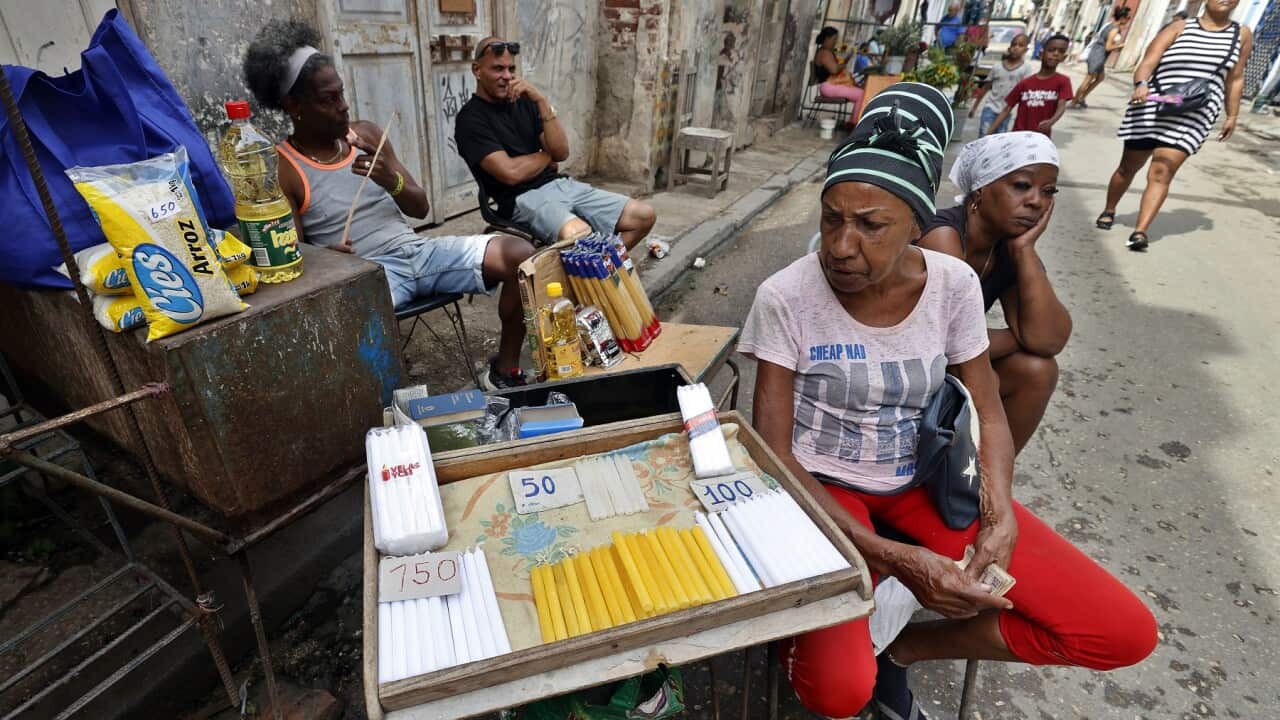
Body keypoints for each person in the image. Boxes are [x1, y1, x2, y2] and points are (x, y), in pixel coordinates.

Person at [740, 82, 1156, 720]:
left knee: (1117, 631)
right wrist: (897, 559)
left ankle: (905, 646)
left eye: (871, 226)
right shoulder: (786, 296)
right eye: (832, 219)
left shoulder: (953, 284)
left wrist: (1000, 515)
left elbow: (988, 410)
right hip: (822, 489)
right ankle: (839, 619)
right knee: (839, 693)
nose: (842, 246)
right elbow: (772, 455)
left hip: (925, 482)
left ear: (916, 225)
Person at [243, 20, 536, 390]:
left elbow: (420, 208)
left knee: (521, 255)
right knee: (354, 318)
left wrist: (390, 179)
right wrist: (327, 259)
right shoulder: (284, 168)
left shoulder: (366, 135)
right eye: (328, 99)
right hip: (366, 276)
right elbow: (294, 262)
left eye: (342, 94)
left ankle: (505, 370)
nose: (343, 106)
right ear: (294, 106)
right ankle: (384, 413)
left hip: (417, 253)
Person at [918, 132, 1070, 453]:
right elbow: (943, 345)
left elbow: (1049, 341)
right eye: (1021, 186)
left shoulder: (1006, 247)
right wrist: (1019, 337)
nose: (1036, 201)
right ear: (981, 189)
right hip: (894, 363)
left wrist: (1025, 251)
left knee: (1037, 371)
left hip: (938, 362)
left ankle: (987, 479)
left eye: (1048, 191)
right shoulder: (943, 235)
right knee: (988, 378)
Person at [455, 37, 656, 249]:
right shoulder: (470, 119)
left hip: (560, 185)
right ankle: (593, 272)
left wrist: (541, 101)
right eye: (498, 69)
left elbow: (561, 152)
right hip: (522, 199)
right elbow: (511, 173)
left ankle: (600, 270)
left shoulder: (525, 101)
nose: (507, 76)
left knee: (643, 217)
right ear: (477, 70)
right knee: (579, 236)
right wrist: (545, 155)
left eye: (511, 69)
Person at [1099, 2, 1252, 250]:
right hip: (1153, 106)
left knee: (1162, 171)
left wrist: (1232, 114)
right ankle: (1110, 208)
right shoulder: (1179, 28)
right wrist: (1141, 84)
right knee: (1127, 168)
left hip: (1195, 113)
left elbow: (1236, 77)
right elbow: (1149, 61)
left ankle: (1140, 232)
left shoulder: (1241, 34)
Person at [986, 34, 1073, 137]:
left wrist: (1051, 121)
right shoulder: (1025, 83)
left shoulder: (1063, 81)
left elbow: (1061, 106)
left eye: (1061, 51)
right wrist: (990, 132)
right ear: (1041, 53)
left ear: (1064, 57)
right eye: (1051, 50)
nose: (1055, 54)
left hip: (1041, 138)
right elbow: (1007, 109)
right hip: (1018, 135)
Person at [970, 33, 1032, 135]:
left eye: (1021, 45)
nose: (1016, 48)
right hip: (990, 107)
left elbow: (1026, 93)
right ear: (1009, 47)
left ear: (1025, 50)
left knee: (1000, 139)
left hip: (1008, 111)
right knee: (984, 136)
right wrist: (974, 107)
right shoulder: (997, 67)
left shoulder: (1026, 69)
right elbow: (986, 87)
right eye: (1014, 44)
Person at [1071, 6, 1132, 109]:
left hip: (1097, 54)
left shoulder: (1109, 25)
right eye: (1127, 18)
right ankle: (1075, 100)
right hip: (1098, 56)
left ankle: (1081, 97)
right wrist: (1119, 46)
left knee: (1100, 77)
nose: (1128, 20)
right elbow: (1108, 47)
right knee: (1088, 79)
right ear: (1122, 18)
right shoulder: (1114, 30)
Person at [812, 27, 866, 121]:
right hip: (828, 86)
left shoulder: (826, 51)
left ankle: (853, 122)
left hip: (830, 85)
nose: (835, 42)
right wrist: (843, 65)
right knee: (861, 94)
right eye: (834, 39)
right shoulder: (824, 53)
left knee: (860, 92)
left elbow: (837, 67)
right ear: (827, 39)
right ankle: (854, 124)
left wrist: (846, 59)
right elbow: (834, 70)